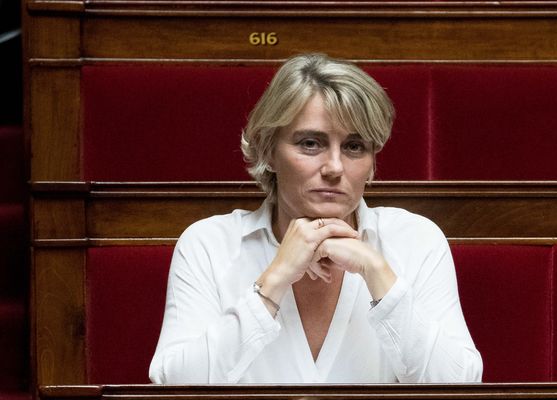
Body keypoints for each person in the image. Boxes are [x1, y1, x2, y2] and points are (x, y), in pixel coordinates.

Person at [149, 53, 483, 384]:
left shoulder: (415, 239)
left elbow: (461, 385)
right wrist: (274, 280)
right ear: (268, 150)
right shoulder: (209, 244)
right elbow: (174, 386)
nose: (335, 168)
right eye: (311, 143)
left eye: (354, 147)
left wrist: (378, 273)